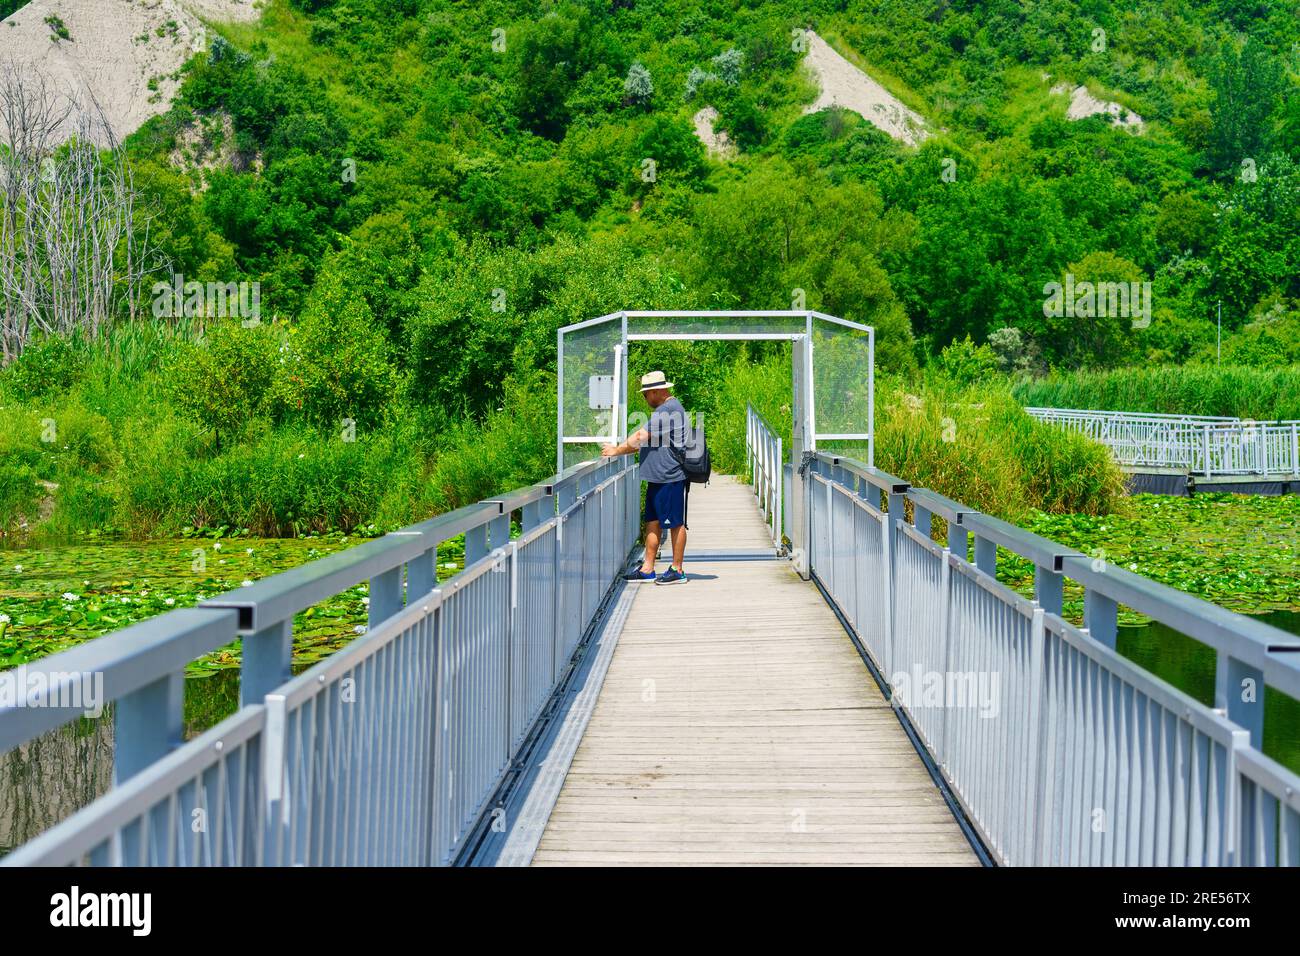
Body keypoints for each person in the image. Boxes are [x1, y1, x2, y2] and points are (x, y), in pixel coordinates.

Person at [602, 371, 689, 585]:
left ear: (658, 391)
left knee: (676, 524)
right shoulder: (665, 409)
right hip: (658, 477)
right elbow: (642, 439)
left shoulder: (669, 410)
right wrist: (621, 448)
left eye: (646, 394)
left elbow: (640, 437)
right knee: (653, 522)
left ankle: (677, 570)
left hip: (670, 477)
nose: (645, 398)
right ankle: (647, 569)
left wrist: (616, 450)